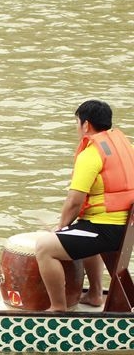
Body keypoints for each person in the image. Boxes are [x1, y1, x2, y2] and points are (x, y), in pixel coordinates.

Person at [36, 100, 134, 311]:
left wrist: (60, 228)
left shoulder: (91, 154)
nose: (77, 127)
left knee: (44, 248)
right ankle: (95, 294)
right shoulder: (126, 147)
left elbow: (75, 201)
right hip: (124, 227)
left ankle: (57, 309)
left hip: (106, 230)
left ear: (86, 124)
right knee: (83, 229)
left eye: (77, 122)